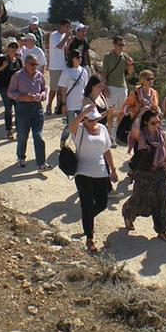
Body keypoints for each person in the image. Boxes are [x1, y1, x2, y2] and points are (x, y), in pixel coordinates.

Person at [68, 104, 119, 253]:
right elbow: (72, 124)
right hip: (83, 172)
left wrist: (113, 170)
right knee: (87, 204)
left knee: (102, 203)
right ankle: (89, 237)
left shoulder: (102, 129)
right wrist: (82, 114)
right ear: (84, 119)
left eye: (95, 119)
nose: (93, 122)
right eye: (90, 120)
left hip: (101, 172)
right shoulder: (80, 130)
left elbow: (107, 151)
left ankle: (86, 219)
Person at [122, 108, 166, 241]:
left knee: (162, 201)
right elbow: (134, 129)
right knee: (140, 199)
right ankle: (128, 212)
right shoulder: (142, 136)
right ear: (145, 123)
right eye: (153, 123)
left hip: (161, 171)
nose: (156, 125)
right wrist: (140, 112)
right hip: (144, 173)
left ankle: (162, 230)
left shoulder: (161, 134)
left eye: (158, 122)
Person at [8, 53, 53, 171]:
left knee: (38, 136)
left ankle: (41, 164)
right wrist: (23, 97)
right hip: (23, 108)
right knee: (22, 135)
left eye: (36, 64)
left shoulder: (39, 75)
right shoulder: (17, 76)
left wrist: (43, 95)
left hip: (37, 108)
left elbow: (44, 88)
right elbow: (10, 92)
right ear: (25, 64)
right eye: (32, 64)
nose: (35, 66)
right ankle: (21, 158)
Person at [102, 35, 135, 147]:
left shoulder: (124, 57)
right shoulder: (108, 57)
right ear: (114, 44)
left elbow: (130, 73)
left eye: (123, 45)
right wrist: (105, 87)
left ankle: (114, 134)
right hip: (111, 87)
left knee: (121, 112)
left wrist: (130, 64)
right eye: (120, 45)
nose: (122, 47)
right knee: (111, 112)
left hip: (122, 87)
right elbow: (104, 73)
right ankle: (110, 137)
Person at [0, 37, 22, 141]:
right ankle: (9, 130)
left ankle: (18, 130)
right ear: (8, 48)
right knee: (8, 109)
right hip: (5, 88)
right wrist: (2, 67)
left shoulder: (18, 60)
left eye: (15, 46)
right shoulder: (2, 59)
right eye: (11, 46)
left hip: (16, 89)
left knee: (18, 109)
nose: (14, 48)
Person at [58, 50, 89, 146]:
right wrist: (64, 104)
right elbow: (63, 89)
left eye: (80, 57)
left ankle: (80, 143)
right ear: (72, 59)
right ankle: (63, 140)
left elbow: (85, 87)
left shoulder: (84, 71)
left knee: (82, 124)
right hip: (70, 103)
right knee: (70, 125)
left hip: (81, 103)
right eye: (77, 57)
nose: (79, 59)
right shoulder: (67, 71)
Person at [46, 19, 71, 115]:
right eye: (66, 27)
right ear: (61, 26)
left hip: (63, 65)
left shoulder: (64, 36)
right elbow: (59, 46)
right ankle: (49, 105)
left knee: (62, 88)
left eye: (69, 27)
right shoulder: (54, 35)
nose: (68, 29)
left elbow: (64, 49)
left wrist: (69, 41)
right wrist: (66, 37)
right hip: (55, 66)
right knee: (54, 88)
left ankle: (58, 107)